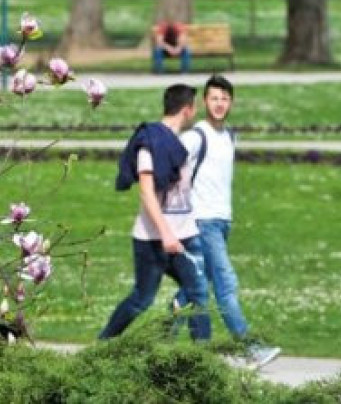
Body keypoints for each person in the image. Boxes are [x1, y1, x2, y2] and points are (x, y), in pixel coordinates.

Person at [172, 75, 280, 368]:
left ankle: (163, 339)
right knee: (226, 284)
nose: (219, 104)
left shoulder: (230, 135)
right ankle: (251, 349)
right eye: (214, 98)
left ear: (231, 103)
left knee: (194, 288)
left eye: (224, 99)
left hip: (221, 221)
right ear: (204, 102)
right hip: (203, 222)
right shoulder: (196, 137)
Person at [98, 84, 211, 341]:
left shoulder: (178, 144)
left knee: (198, 294)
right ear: (188, 109)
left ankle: (203, 360)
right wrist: (166, 235)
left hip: (186, 236)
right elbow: (147, 193)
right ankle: (103, 344)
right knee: (142, 299)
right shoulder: (150, 143)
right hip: (152, 239)